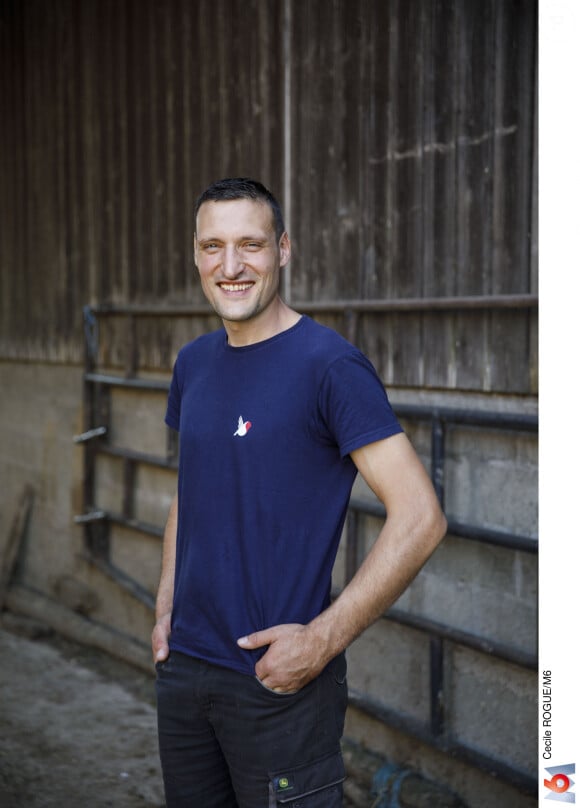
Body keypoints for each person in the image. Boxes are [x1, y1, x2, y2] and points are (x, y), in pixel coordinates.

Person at [152, 177, 447, 807]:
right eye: (213, 246)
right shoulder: (193, 363)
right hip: (184, 676)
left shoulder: (329, 366)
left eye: (250, 245)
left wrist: (320, 641)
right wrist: (163, 613)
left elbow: (421, 517)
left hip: (277, 689)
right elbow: (193, 489)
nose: (230, 267)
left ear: (283, 249)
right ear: (196, 253)